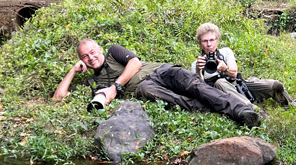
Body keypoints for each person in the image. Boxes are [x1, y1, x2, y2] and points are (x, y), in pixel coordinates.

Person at [53, 39, 261, 127]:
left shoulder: (113, 52)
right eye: (85, 56)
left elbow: (135, 63)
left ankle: (242, 111)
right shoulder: (92, 82)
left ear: (99, 49)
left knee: (196, 86)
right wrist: (73, 70)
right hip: (148, 87)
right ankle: (225, 110)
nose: (90, 58)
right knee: (149, 90)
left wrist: (115, 88)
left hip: (163, 72)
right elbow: (58, 98)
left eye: (92, 52)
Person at [191, 23, 294, 108]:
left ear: (217, 40)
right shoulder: (197, 64)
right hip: (223, 95)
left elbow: (234, 73)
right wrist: (198, 71)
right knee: (220, 82)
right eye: (205, 41)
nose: (209, 44)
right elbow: (201, 90)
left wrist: (224, 69)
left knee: (275, 85)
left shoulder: (225, 52)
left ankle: (291, 106)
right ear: (200, 44)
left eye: (212, 40)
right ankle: (253, 110)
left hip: (239, 85)